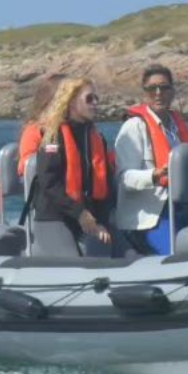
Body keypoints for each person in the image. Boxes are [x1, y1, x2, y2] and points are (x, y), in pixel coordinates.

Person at [113, 64, 188, 255]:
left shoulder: (177, 127)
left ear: (172, 91)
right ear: (144, 93)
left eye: (164, 88)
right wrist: (154, 176)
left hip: (185, 205)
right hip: (152, 215)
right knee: (176, 252)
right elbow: (124, 178)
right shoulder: (133, 127)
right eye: (152, 88)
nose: (158, 93)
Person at [28, 76, 117, 257]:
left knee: (121, 251)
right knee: (73, 263)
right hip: (54, 218)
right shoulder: (53, 137)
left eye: (96, 99)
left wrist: (101, 222)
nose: (95, 104)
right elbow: (49, 183)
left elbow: (105, 186)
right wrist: (80, 213)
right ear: (72, 102)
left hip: (86, 218)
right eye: (89, 99)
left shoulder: (96, 139)